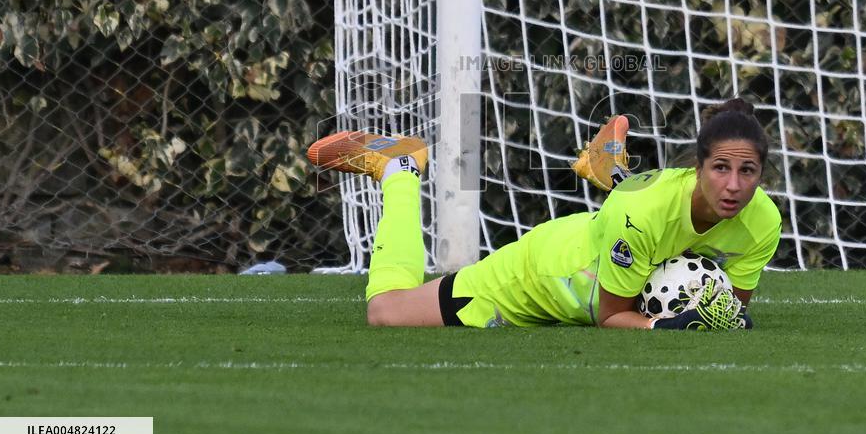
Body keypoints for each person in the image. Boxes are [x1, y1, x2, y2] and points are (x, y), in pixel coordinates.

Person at [306, 98, 781, 330]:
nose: (735, 185)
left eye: (748, 171)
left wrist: (718, 318)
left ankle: (606, 166)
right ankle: (401, 168)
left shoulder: (763, 222)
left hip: (608, 237)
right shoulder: (643, 211)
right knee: (385, 313)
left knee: (636, 213)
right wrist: (667, 325)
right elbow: (612, 317)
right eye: (721, 168)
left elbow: (731, 307)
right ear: (697, 167)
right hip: (542, 274)